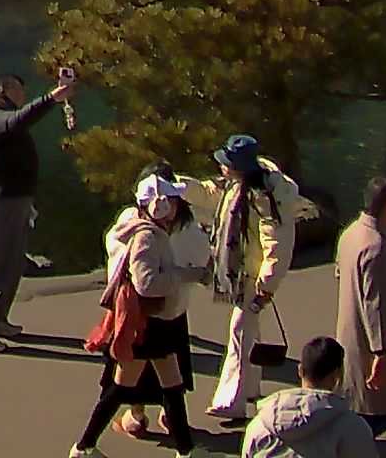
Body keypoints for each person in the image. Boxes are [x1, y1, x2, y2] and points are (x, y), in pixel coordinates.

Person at [76, 187, 204, 455]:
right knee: (123, 387)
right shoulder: (146, 235)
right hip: (148, 323)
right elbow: (146, 284)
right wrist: (185, 275)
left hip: (154, 322)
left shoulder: (142, 229)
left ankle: (186, 451)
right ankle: (83, 447)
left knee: (170, 384)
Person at [0, 69, 79, 351]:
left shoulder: (5, 119)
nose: (23, 95)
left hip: (17, 200)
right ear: (3, 90)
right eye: (18, 90)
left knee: (13, 263)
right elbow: (17, 121)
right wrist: (51, 98)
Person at [204, 137, 298, 423]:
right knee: (248, 332)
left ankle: (230, 401)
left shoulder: (263, 200)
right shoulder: (239, 189)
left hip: (252, 279)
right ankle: (250, 390)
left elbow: (277, 245)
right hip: (246, 276)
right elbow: (206, 193)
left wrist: (267, 284)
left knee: (239, 332)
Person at [328, 176, 386, 434]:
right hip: (370, 340)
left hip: (349, 329)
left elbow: (345, 276)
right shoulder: (376, 245)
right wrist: (381, 352)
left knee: (355, 397)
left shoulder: (351, 233)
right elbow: (373, 304)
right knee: (382, 407)